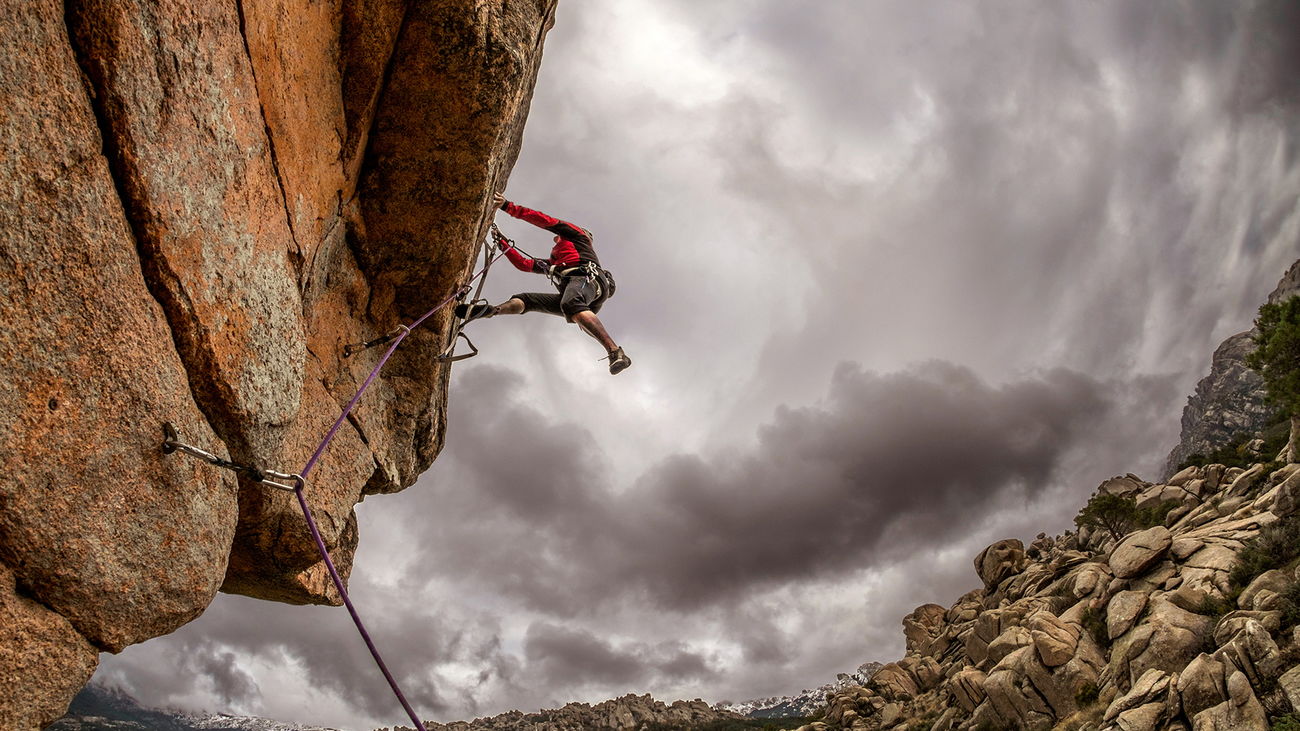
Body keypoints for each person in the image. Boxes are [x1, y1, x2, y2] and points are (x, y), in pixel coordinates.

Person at [455, 192, 631, 375]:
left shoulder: (578, 236)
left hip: (586, 278)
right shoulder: (554, 264)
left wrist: (508, 206)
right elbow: (524, 264)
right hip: (583, 291)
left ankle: (615, 352)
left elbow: (545, 220)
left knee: (570, 303)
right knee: (527, 300)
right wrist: (502, 244)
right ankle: (492, 311)